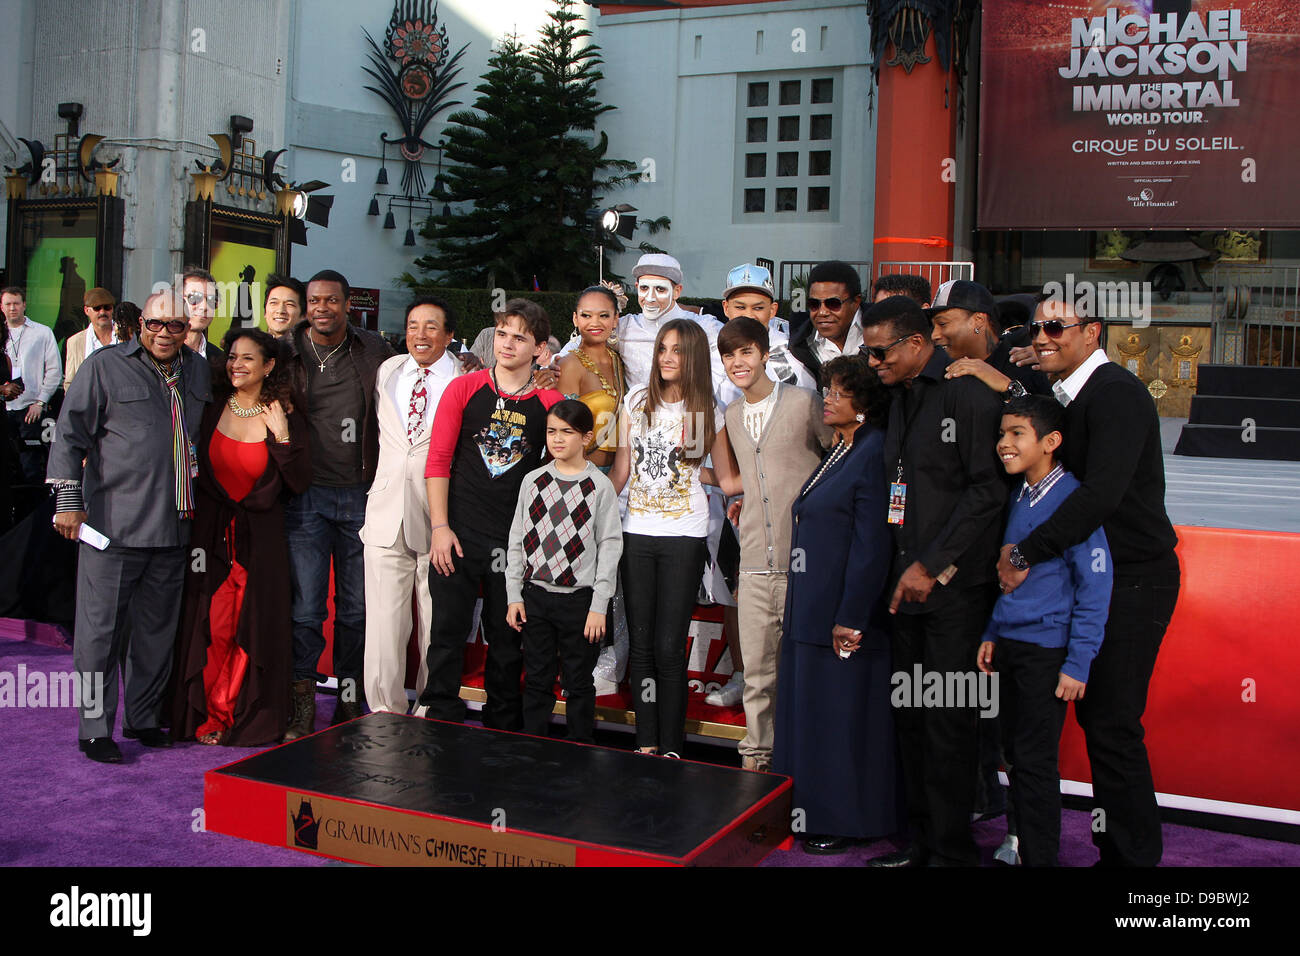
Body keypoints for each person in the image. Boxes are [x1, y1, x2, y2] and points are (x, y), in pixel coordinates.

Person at [996, 291, 1180, 867]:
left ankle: (1132, 863)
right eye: (1036, 328)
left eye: (1056, 327)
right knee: (1067, 730)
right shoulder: (1062, 393)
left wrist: (1025, 552)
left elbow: (1100, 495)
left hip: (1133, 578)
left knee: (1111, 724)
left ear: (1093, 332)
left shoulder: (1118, 396)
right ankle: (1066, 848)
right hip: (1080, 577)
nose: (1042, 337)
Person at [861, 295, 1005, 868]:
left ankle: (952, 852)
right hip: (906, 589)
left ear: (917, 344)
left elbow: (988, 491)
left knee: (948, 724)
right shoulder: (899, 398)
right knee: (913, 721)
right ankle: (923, 844)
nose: (873, 363)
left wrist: (933, 565)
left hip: (956, 593)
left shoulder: (968, 393)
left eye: (880, 352)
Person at [46, 287, 212, 763]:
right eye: (155, 324)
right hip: (112, 526)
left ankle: (142, 718)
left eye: (175, 325)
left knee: (156, 632)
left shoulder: (198, 370)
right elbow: (69, 434)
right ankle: (94, 729)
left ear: (188, 330)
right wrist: (68, 502)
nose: (164, 333)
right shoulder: (104, 366)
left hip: (175, 526)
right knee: (100, 633)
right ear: (141, 324)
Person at [773, 354, 902, 852]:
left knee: (840, 719)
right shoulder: (840, 449)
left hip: (842, 616)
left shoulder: (872, 454)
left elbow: (873, 545)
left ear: (864, 404)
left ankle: (845, 819)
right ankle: (808, 810)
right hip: (811, 608)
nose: (826, 398)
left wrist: (851, 616)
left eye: (839, 392)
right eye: (826, 389)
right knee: (813, 714)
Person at [977, 394, 1112, 866]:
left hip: (1046, 652)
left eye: (1017, 434)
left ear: (1051, 442)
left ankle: (1040, 858)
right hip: (1012, 645)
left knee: (1034, 763)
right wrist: (993, 629)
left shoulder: (1073, 501)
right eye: (1001, 434)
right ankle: (1018, 841)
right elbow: (1007, 576)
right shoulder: (1019, 495)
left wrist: (1078, 663)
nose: (1004, 444)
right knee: (1014, 754)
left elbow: (1095, 587)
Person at [420, 299, 563, 730]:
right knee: (446, 634)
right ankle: (439, 715)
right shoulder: (464, 389)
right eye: (502, 333)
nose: (508, 343)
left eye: (520, 337)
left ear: (539, 348)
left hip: (514, 543)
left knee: (506, 641)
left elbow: (565, 467)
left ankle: (502, 728)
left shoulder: (550, 402)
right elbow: (438, 460)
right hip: (457, 533)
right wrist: (440, 528)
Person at [170, 328, 310, 745]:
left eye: (248, 358)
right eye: (232, 356)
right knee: (211, 625)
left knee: (252, 629)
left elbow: (299, 481)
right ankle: (208, 713)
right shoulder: (210, 408)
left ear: (269, 366)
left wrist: (282, 436)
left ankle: (237, 714)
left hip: (261, 542)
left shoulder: (284, 414)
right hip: (210, 538)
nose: (236, 365)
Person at [711, 317, 828, 771]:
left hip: (806, 564)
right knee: (758, 675)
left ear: (763, 353)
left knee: (805, 674)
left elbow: (836, 461)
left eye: (745, 352)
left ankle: (808, 764)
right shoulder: (732, 417)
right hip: (756, 562)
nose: (737, 362)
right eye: (728, 355)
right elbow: (738, 481)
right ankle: (757, 760)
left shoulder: (804, 402)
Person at [282, 269, 395, 738]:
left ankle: (349, 703)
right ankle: (301, 704)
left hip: (359, 494)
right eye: (314, 300)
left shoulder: (375, 350)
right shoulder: (285, 350)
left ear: (349, 304)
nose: (322, 308)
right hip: (305, 495)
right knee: (307, 608)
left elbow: (421, 375)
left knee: (355, 609)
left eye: (331, 300)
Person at [610, 319, 727, 757]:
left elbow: (724, 477)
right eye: (662, 348)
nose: (667, 357)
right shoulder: (637, 400)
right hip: (636, 532)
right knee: (640, 644)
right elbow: (622, 470)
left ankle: (673, 749)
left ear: (693, 357)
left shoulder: (703, 408)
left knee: (667, 647)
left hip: (684, 535)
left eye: (677, 350)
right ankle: (646, 744)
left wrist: (698, 473)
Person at [361, 296, 461, 715]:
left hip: (440, 516)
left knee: (436, 623)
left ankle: (430, 709)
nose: (420, 335)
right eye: (413, 325)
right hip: (384, 512)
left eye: (431, 326)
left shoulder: (466, 379)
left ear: (450, 335)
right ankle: (384, 712)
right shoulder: (389, 370)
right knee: (384, 625)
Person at [506, 399, 623, 742]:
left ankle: (579, 752)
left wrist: (599, 605)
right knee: (538, 678)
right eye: (551, 431)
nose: (557, 439)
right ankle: (533, 748)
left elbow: (610, 548)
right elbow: (516, 539)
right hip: (536, 597)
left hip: (579, 603)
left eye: (567, 432)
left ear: (586, 437)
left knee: (577, 681)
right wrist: (514, 594)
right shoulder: (533, 481)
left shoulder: (599, 487)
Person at [931, 280, 1050, 399]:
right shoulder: (938, 371)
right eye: (932, 326)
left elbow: (1046, 415)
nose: (934, 335)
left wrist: (1008, 387)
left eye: (942, 324)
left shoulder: (1025, 368)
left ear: (978, 320)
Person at [556, 286, 626, 471]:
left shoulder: (620, 361)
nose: (595, 323)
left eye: (603, 315)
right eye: (586, 315)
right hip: (581, 473)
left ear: (615, 319)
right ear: (575, 319)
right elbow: (562, 431)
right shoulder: (569, 365)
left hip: (622, 476)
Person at [3, 286, 62, 484]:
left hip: (31, 409)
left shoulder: (42, 333)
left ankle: (33, 510)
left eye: (16, 304)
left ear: (24, 305)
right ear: (1, 307)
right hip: (4, 407)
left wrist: (40, 401)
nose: (12, 308)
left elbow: (54, 370)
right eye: (8, 304)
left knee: (31, 466)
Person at [787, 260, 865, 383]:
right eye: (814, 304)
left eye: (833, 303)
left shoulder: (881, 333)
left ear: (855, 302)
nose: (822, 312)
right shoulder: (800, 345)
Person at [64, 287, 121, 389]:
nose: (102, 312)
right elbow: (70, 382)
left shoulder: (127, 337)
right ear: (86, 310)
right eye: (97, 308)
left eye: (107, 307)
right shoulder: (75, 342)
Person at [181, 266, 226, 376]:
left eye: (211, 300)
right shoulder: (161, 352)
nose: (204, 306)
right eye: (194, 298)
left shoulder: (220, 360)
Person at [263, 274, 305, 340]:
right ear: (265, 312)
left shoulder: (308, 349)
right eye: (274, 303)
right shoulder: (251, 347)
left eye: (289, 304)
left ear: (303, 315)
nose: (280, 310)